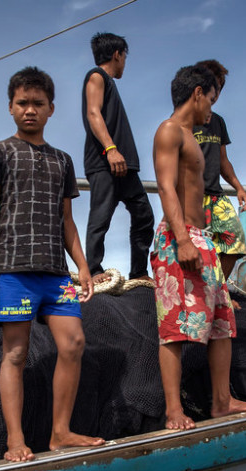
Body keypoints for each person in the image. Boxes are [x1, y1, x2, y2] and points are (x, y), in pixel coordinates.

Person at [0, 66, 105, 462]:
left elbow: (67, 220)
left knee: (74, 342)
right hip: (14, 270)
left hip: (56, 275)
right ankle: (15, 439)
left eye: (38, 103)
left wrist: (82, 265)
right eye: (22, 103)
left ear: (51, 109)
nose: (30, 110)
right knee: (15, 353)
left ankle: (60, 432)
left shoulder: (63, 161)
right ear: (10, 108)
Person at [150, 64, 246, 430]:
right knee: (174, 328)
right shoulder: (170, 131)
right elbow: (166, 187)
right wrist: (182, 238)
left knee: (222, 322)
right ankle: (173, 410)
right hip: (178, 236)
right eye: (211, 100)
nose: (211, 110)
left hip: (202, 239)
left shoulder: (192, 135)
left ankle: (221, 401)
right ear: (197, 93)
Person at [81, 32, 155, 284]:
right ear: (117, 55)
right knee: (101, 217)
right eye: (124, 57)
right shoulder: (97, 76)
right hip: (105, 162)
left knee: (144, 215)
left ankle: (138, 272)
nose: (124, 62)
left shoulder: (110, 84)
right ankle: (92, 269)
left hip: (125, 166)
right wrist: (111, 149)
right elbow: (93, 113)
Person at [192, 59, 246, 282]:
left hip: (216, 195)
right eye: (213, 85)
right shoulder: (183, 121)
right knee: (197, 248)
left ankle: (219, 290)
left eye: (219, 87)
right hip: (193, 196)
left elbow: (223, 160)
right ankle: (199, 292)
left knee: (234, 240)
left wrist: (239, 187)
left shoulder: (218, 122)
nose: (216, 92)